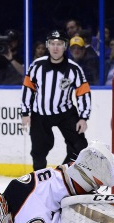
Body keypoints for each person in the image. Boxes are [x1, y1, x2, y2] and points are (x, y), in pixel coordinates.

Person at [21, 30, 91, 170]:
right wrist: (25, 113)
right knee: (38, 151)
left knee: (79, 145)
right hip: (40, 113)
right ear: (47, 46)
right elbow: (28, 88)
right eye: (52, 44)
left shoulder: (74, 69)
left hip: (65, 112)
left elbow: (83, 92)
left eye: (59, 44)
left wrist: (83, 117)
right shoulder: (37, 65)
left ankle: (62, 174)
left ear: (65, 47)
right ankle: (41, 181)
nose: (55, 47)